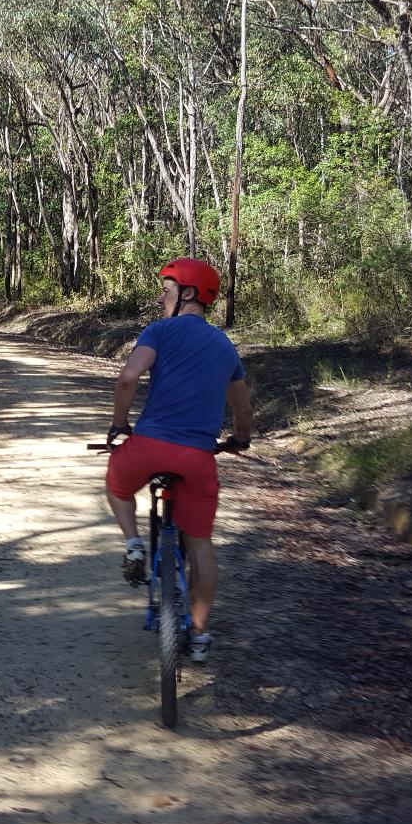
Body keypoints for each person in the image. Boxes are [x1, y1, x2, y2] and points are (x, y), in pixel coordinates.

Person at [104, 258, 253, 664]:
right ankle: (201, 634)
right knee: (200, 544)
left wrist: (119, 425)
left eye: (166, 291)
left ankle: (134, 544)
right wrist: (239, 440)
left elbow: (128, 378)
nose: (159, 298)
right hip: (198, 457)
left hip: (148, 446)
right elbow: (242, 407)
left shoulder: (158, 331)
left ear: (187, 295)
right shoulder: (225, 346)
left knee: (117, 485)